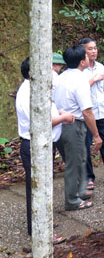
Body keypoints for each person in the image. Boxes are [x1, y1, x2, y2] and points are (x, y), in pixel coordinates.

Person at [16, 57, 75, 243]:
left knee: (42, 187)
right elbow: (41, 121)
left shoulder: (37, 89)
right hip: (34, 146)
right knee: (38, 189)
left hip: (44, 144)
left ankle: (41, 223)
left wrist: (60, 114)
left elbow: (48, 112)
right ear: (31, 73)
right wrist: (63, 118)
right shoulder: (27, 93)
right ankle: (41, 232)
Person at [54, 45, 102, 211]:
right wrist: (96, 135)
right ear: (83, 61)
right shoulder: (80, 80)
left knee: (74, 161)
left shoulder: (61, 77)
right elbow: (87, 111)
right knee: (74, 163)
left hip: (59, 124)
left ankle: (78, 191)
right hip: (73, 125)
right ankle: (73, 201)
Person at [79, 38, 104, 190]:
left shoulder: (100, 66)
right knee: (86, 145)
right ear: (83, 51)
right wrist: (92, 80)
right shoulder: (80, 70)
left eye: (95, 48)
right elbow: (78, 90)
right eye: (90, 49)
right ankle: (88, 177)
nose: (94, 51)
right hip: (88, 113)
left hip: (102, 112)